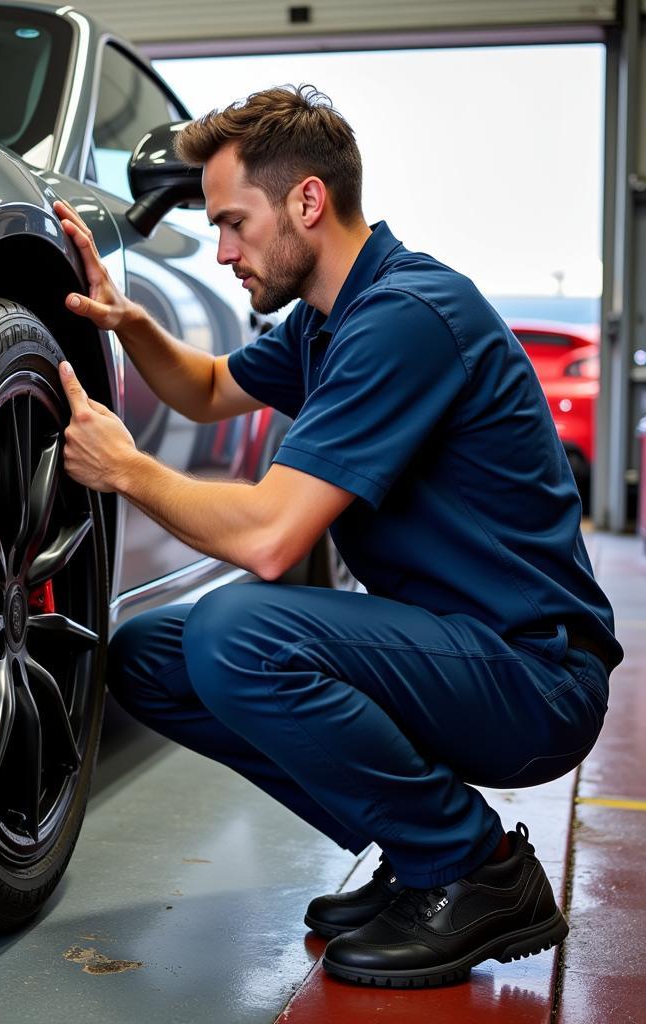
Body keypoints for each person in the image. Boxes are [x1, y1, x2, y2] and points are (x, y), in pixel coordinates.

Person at [50, 84, 622, 988]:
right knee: (150, 655)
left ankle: (473, 869)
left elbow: (273, 539)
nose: (224, 249)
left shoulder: (405, 317)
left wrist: (127, 469)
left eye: (235, 222)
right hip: (449, 652)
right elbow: (204, 387)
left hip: (532, 676)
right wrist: (129, 321)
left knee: (236, 635)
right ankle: (414, 845)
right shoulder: (326, 322)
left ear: (307, 202)